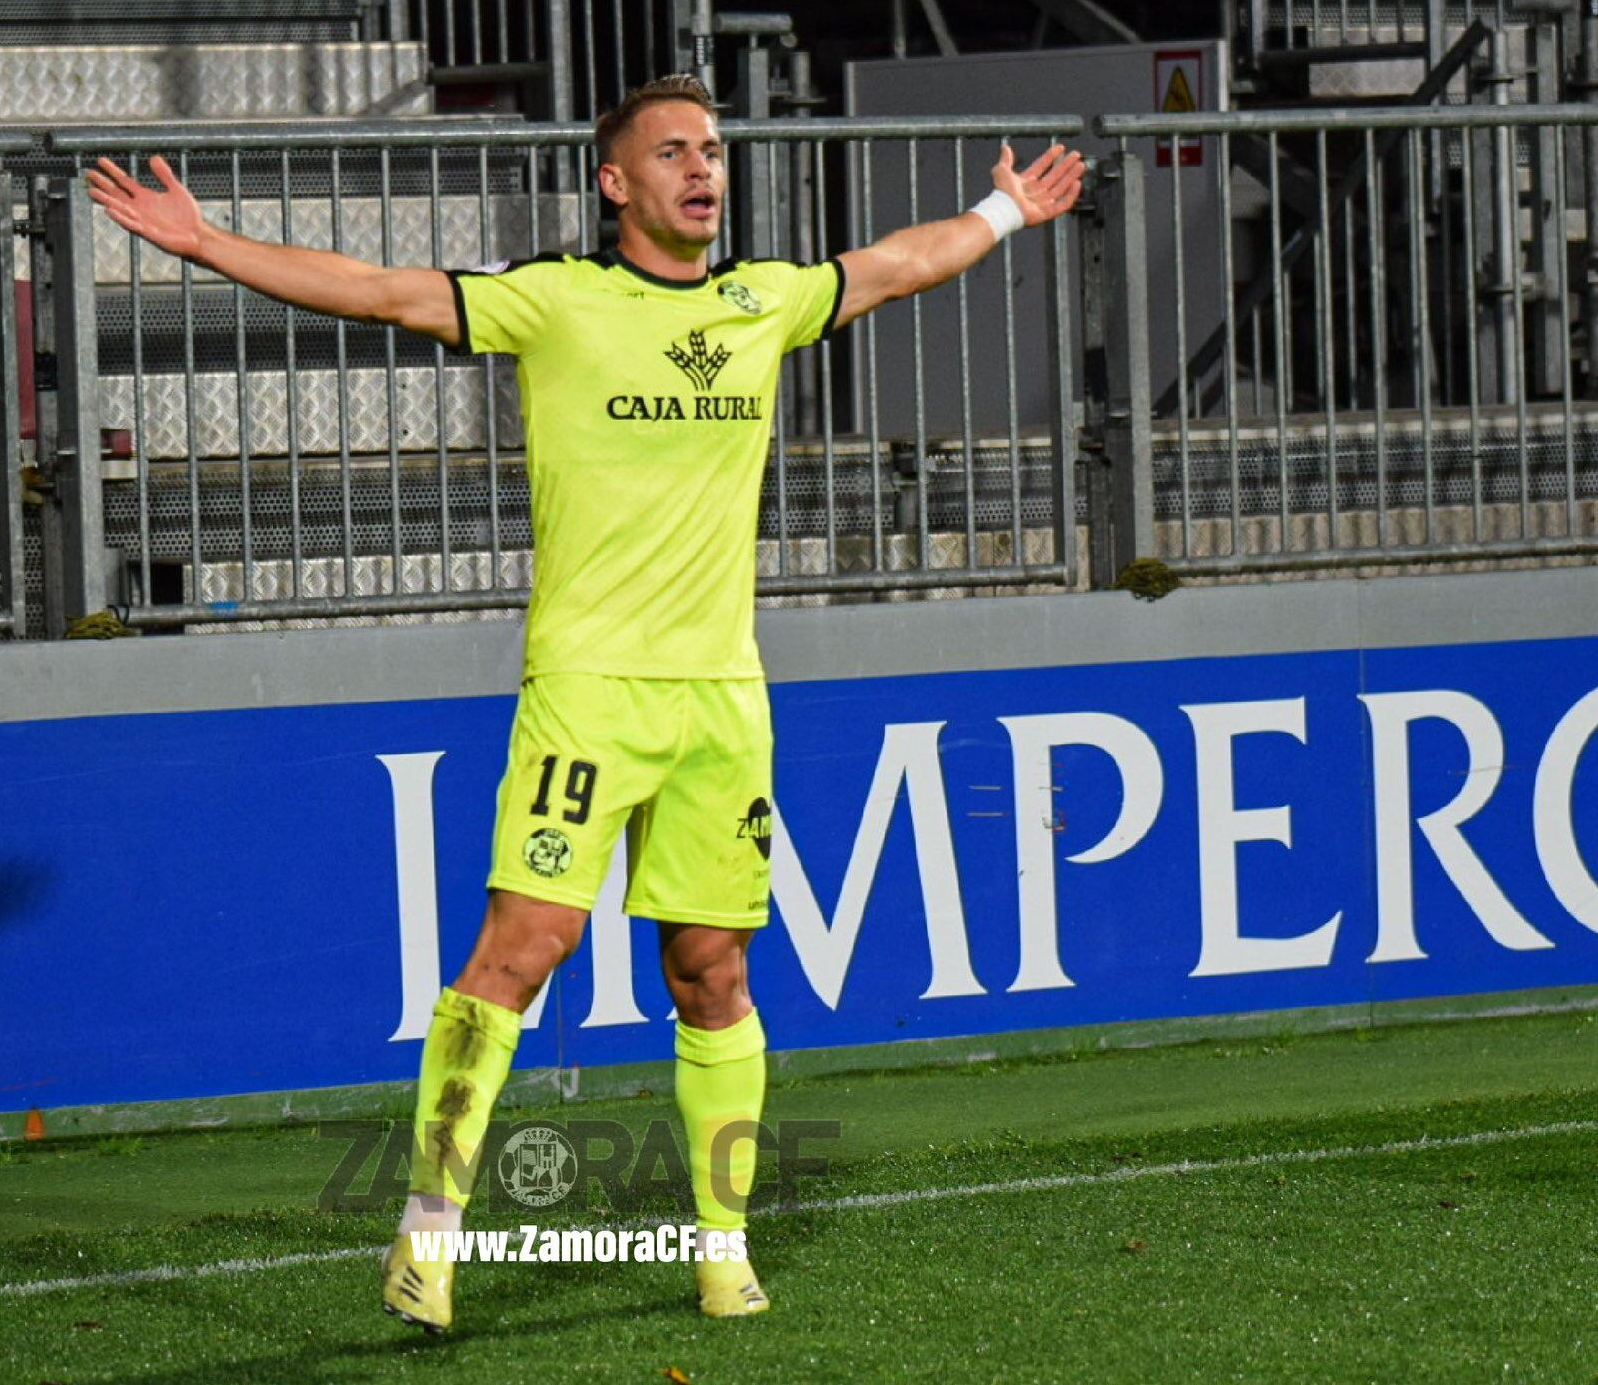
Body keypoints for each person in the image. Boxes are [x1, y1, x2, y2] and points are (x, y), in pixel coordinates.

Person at [86, 74, 1084, 1334]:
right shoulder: (552, 300)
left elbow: (891, 264)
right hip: (586, 691)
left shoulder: (758, 301)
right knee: (524, 945)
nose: (701, 169)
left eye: (711, 150)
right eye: (672, 152)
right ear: (616, 183)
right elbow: (386, 291)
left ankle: (721, 1248)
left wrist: (999, 213)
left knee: (711, 969)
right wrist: (208, 243)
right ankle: (427, 1234)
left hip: (723, 699)